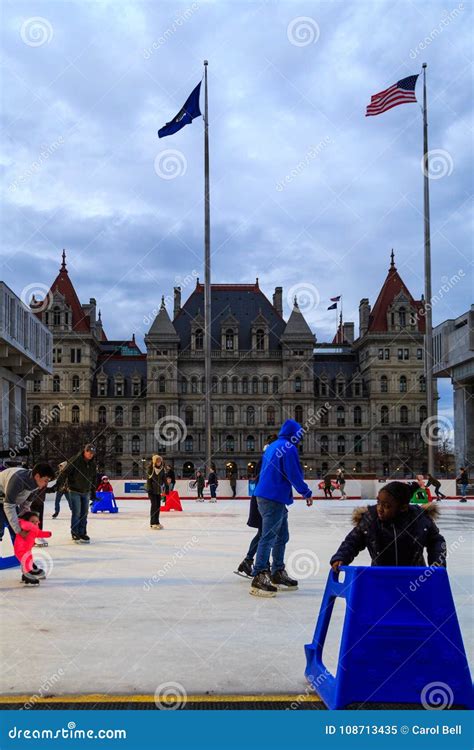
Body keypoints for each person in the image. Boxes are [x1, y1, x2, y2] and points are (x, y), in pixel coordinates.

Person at [250, 419, 313, 597]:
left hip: (267, 495)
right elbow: (294, 473)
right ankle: (259, 574)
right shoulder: (289, 447)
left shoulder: (273, 446)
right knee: (269, 536)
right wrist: (306, 492)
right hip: (273, 497)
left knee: (281, 535)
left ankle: (277, 571)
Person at [330, 481, 447, 571]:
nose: (380, 509)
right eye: (378, 502)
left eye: (386, 506)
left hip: (415, 578)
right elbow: (353, 541)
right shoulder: (371, 519)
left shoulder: (418, 518)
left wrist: (437, 565)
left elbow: (436, 541)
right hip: (380, 578)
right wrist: (341, 557)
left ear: (403, 507)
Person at [236, 435, 277, 578]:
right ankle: (260, 564)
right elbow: (264, 479)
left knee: (263, 533)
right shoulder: (267, 459)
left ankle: (250, 561)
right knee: (265, 533)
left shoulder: (267, 457)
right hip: (264, 499)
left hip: (263, 498)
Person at [0, 463, 55, 547]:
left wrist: (27, 525)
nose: (46, 484)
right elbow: (9, 506)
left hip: (9, 501)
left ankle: (22, 557)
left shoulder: (36, 486)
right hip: (4, 497)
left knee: (19, 528)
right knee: (2, 527)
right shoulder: (18, 481)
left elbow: (25, 506)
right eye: (46, 480)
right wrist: (19, 531)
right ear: (37, 476)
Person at [61, 444, 97, 543]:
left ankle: (82, 532)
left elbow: (94, 479)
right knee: (76, 513)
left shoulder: (92, 464)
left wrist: (93, 492)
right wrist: (61, 485)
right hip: (74, 490)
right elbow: (64, 472)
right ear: (85, 451)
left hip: (86, 491)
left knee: (84, 514)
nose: (91, 455)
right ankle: (75, 533)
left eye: (92, 453)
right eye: (89, 452)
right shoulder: (76, 460)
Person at [14, 511, 52, 586]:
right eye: (32, 521)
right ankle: (27, 576)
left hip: (27, 550)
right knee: (26, 562)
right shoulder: (25, 526)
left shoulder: (34, 529)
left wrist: (48, 534)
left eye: (36, 521)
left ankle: (28, 574)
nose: (34, 523)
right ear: (27, 521)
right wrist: (30, 524)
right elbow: (24, 525)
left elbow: (39, 533)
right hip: (20, 550)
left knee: (29, 561)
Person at [146, 454, 165, 529]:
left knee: (158, 507)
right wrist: (149, 488)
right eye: (157, 461)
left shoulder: (162, 469)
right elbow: (148, 480)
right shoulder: (151, 469)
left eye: (160, 461)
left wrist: (166, 486)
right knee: (154, 506)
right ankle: (152, 523)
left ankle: (157, 522)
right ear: (154, 462)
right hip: (152, 491)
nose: (159, 462)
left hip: (158, 491)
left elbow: (164, 478)